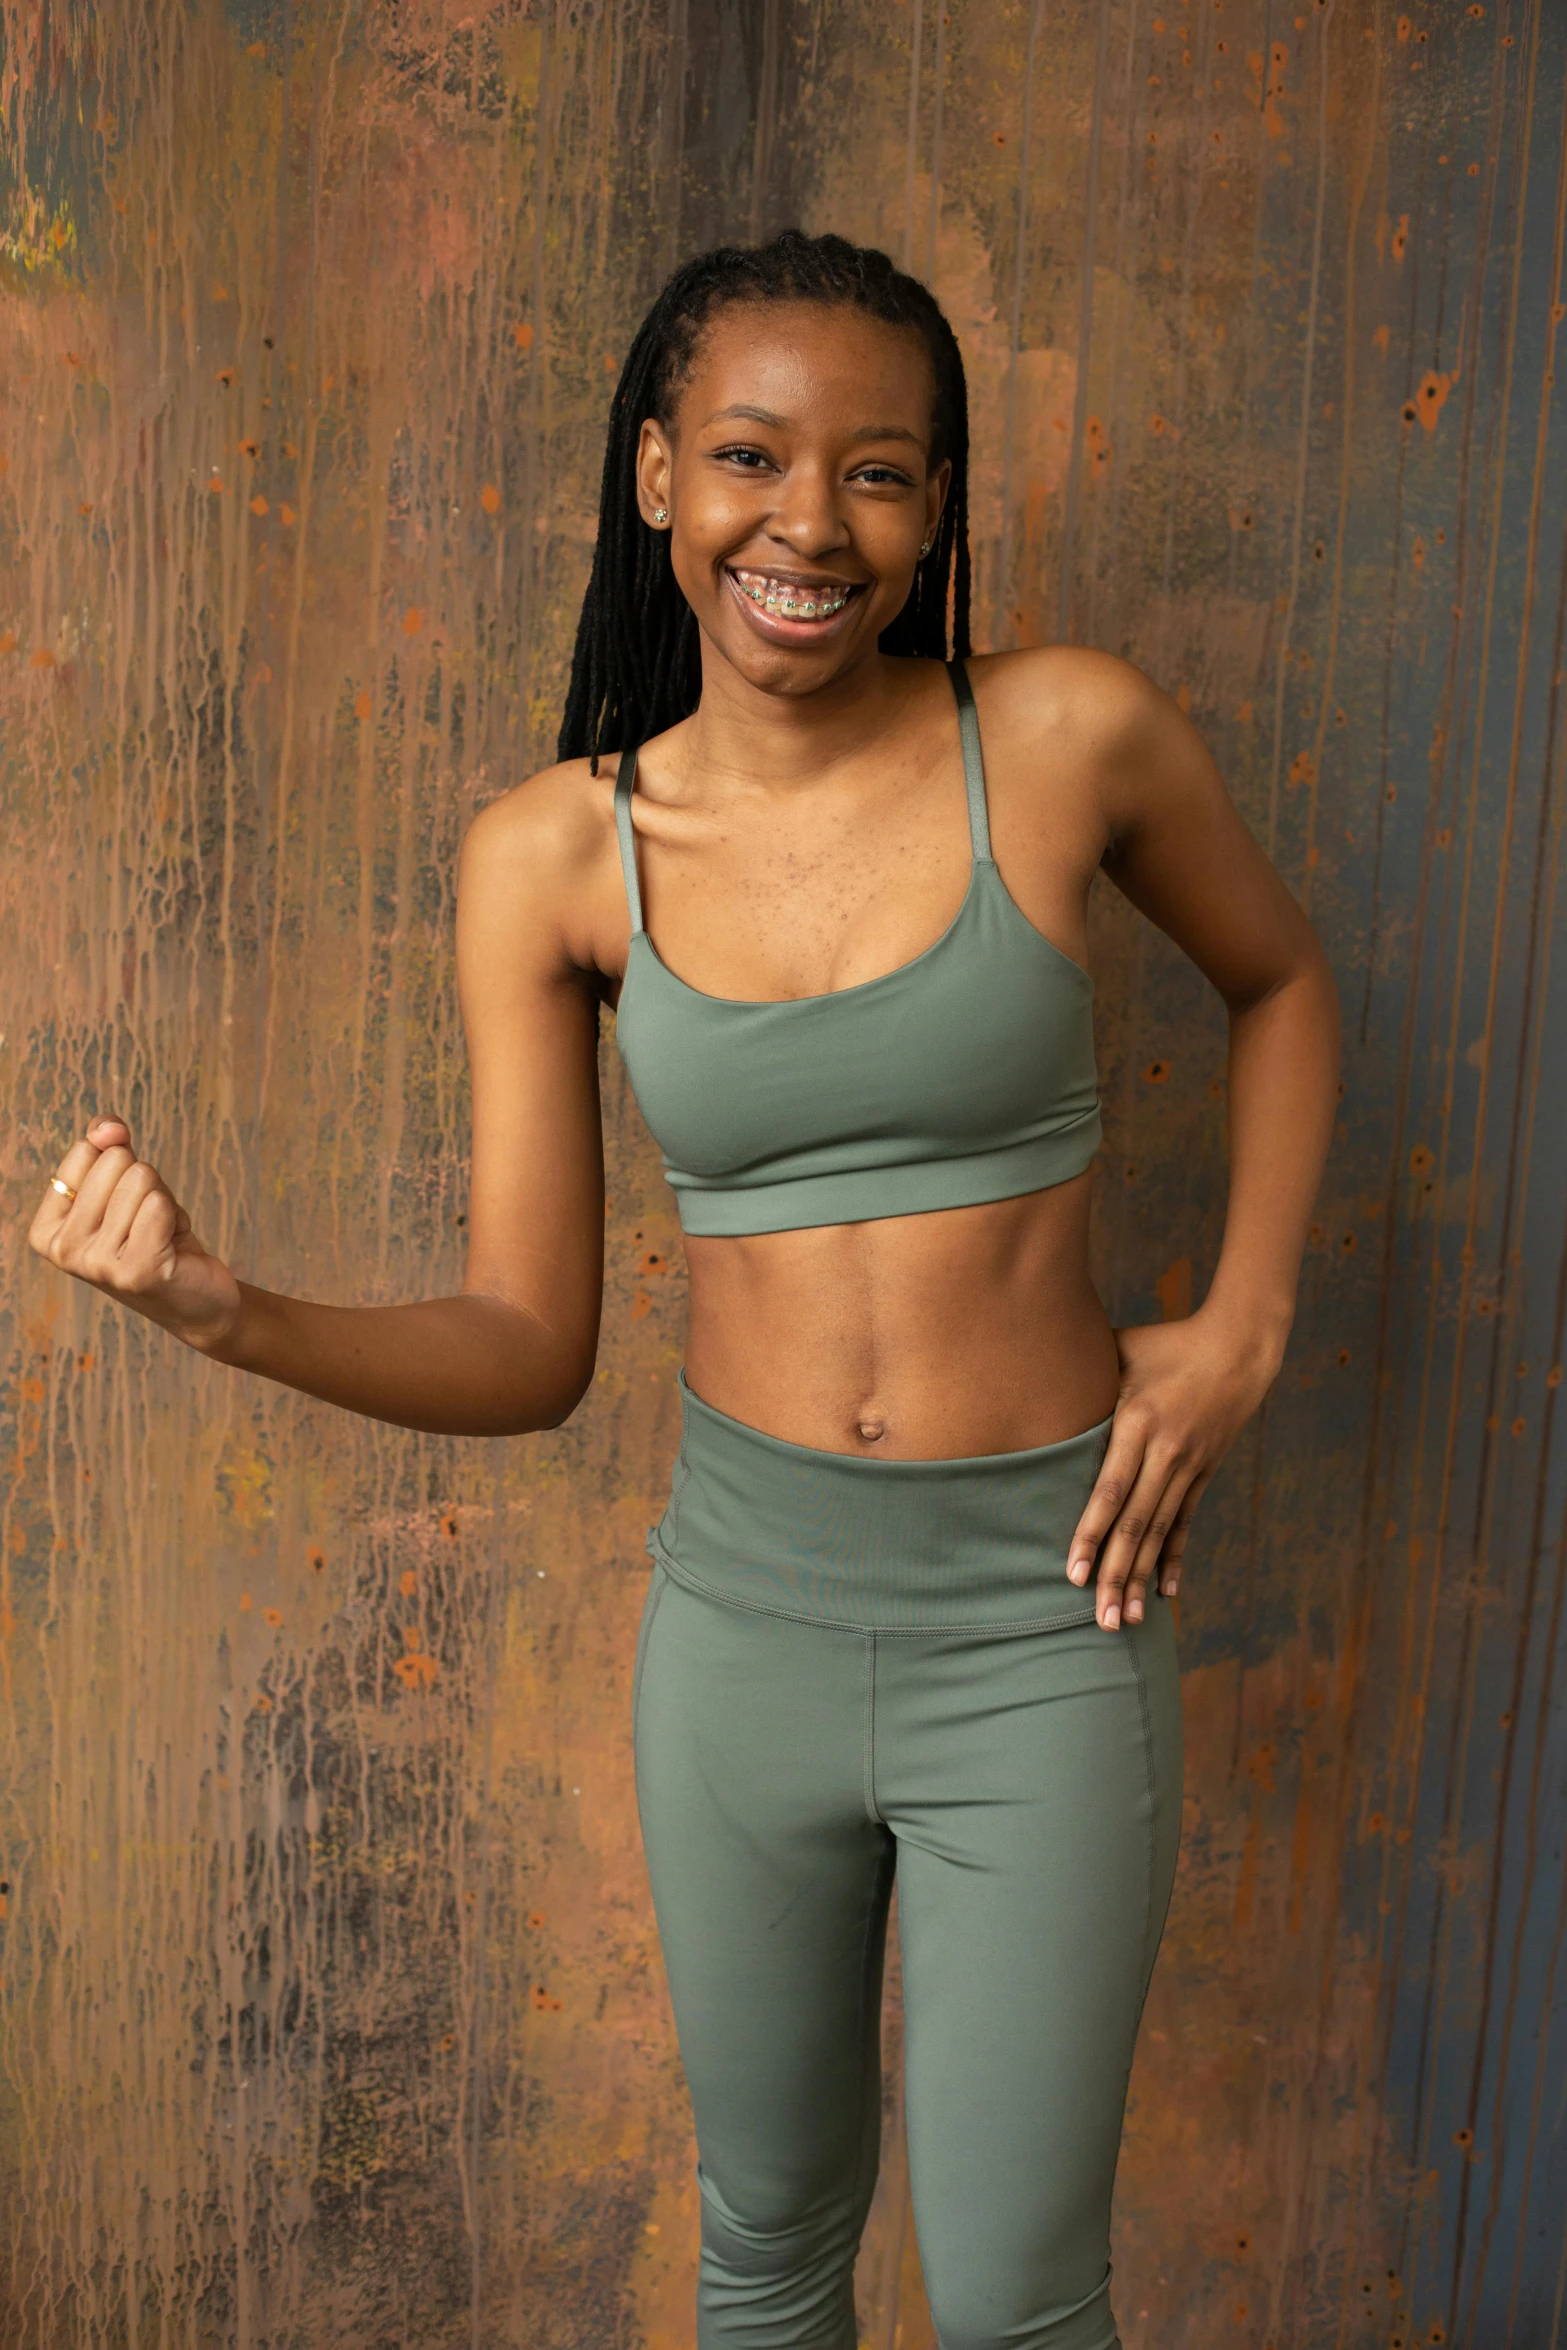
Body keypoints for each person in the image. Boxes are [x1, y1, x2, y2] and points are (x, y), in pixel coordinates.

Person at [30, 230, 1339, 2350]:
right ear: (658, 477)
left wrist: (1245, 1317)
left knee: (1018, 2294)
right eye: (749, 455)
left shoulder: (1070, 734)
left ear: (939, 506)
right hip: (746, 1634)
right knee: (767, 2252)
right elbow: (529, 1343)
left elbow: (1283, 983)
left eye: (883, 473)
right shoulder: (553, 856)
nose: (809, 523)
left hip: (1045, 1613)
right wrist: (217, 1301)